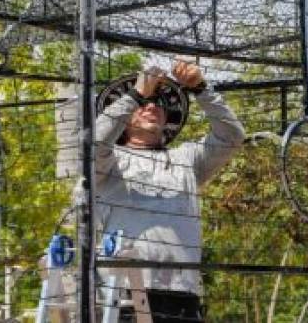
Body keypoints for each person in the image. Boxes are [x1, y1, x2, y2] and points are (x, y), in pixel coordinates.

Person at [95, 58, 245, 322]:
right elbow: (91, 146)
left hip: (183, 293)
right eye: (143, 103)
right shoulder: (109, 160)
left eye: (160, 104)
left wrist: (201, 89)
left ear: (167, 119)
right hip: (124, 293)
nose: (152, 106)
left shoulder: (186, 158)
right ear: (126, 114)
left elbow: (232, 136)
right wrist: (135, 94)